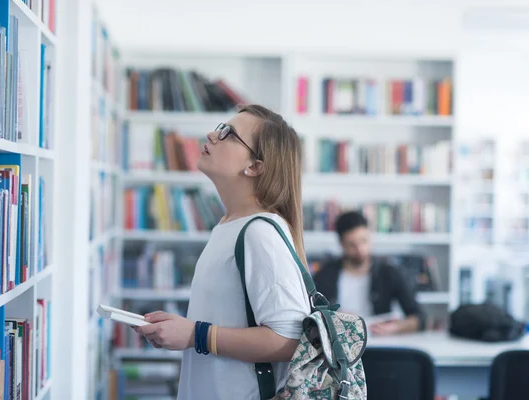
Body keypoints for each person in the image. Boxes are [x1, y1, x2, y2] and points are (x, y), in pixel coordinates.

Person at [135, 104, 310, 399]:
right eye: (220, 127)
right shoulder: (229, 225)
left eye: (229, 134)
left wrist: (194, 335)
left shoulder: (259, 233)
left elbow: (289, 339)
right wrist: (181, 331)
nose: (212, 135)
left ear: (255, 166)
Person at [313, 211, 426, 336]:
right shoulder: (324, 275)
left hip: (379, 344)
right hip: (338, 345)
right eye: (352, 245)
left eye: (364, 241)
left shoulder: (389, 273)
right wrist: (334, 317)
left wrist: (396, 328)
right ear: (342, 245)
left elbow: (419, 318)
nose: (360, 249)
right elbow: (312, 316)